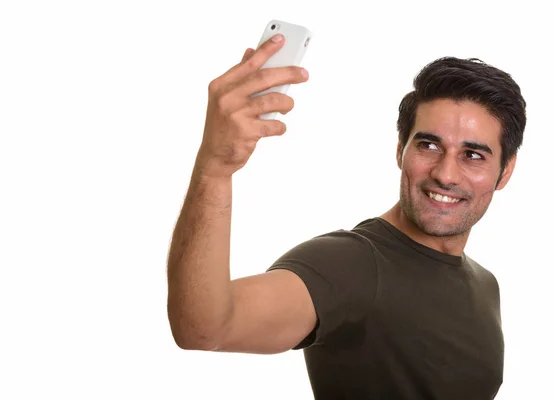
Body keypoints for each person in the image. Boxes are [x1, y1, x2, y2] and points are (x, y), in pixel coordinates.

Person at [166, 32, 527, 400]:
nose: (446, 174)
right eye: (429, 145)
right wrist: (214, 170)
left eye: (473, 155)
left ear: (505, 170)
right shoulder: (351, 263)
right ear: (401, 148)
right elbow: (206, 326)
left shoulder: (485, 285)